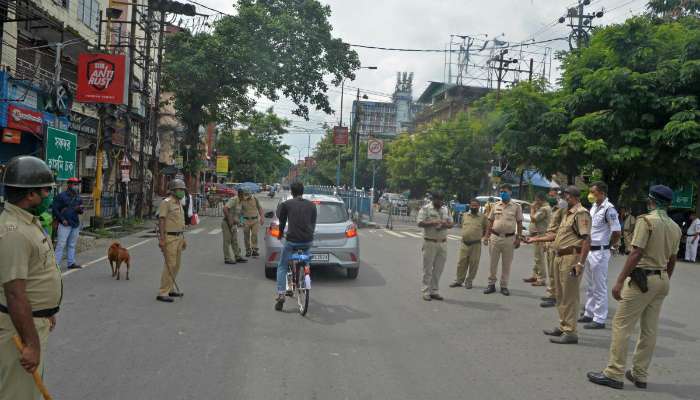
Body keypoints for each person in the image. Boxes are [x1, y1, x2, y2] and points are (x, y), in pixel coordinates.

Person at [587, 185, 681, 390]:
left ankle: (614, 373)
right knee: (649, 329)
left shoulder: (646, 221)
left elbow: (636, 253)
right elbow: (673, 259)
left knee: (621, 324)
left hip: (642, 279)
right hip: (662, 279)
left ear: (651, 200)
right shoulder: (675, 227)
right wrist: (664, 278)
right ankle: (640, 374)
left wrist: (620, 280)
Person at [0, 156, 62, 399]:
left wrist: (47, 311)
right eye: (45, 190)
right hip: (18, 329)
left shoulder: (27, 222)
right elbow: (15, 293)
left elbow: (34, 276)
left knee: (28, 392)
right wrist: (31, 344)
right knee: (19, 394)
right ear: (30, 195)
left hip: (32, 322)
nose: (48, 195)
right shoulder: (13, 232)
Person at [527, 185, 591, 344]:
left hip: (571, 257)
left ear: (574, 197)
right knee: (561, 295)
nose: (564, 199)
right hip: (560, 257)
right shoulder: (568, 214)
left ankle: (571, 332)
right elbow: (558, 235)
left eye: (566, 196)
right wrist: (536, 239)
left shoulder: (581, 213)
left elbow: (586, 240)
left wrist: (580, 264)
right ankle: (564, 326)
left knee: (569, 296)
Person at [579, 182, 622, 330]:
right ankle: (589, 313)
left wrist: (611, 246)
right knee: (590, 285)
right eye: (590, 192)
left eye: (593, 192)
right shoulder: (594, 207)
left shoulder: (609, 210)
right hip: (589, 250)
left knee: (599, 286)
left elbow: (617, 232)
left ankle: (600, 318)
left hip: (600, 252)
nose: (590, 195)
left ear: (602, 193)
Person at [274, 182, 317, 311]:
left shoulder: (286, 204)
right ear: (302, 192)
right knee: (305, 258)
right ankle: (305, 268)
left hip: (292, 241)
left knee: (282, 265)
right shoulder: (312, 205)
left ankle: (281, 293)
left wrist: (280, 234)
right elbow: (313, 224)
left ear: (291, 192)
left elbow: (281, 222)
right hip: (307, 241)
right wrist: (309, 235)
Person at [483, 183, 523, 296]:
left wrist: (519, 238)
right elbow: (490, 221)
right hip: (495, 237)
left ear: (510, 192)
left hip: (509, 239)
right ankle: (491, 284)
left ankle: (504, 286)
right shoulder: (495, 205)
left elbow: (519, 223)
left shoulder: (516, 207)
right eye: (501, 191)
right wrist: (486, 236)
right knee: (493, 263)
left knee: (507, 264)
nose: (502, 193)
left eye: (504, 191)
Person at [156, 179, 188, 303]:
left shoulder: (179, 203)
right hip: (169, 237)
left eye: (183, 190)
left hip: (179, 237)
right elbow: (162, 220)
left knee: (177, 265)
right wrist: (162, 239)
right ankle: (163, 292)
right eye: (180, 189)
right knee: (170, 264)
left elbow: (180, 221)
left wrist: (183, 237)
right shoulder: (166, 202)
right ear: (173, 191)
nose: (182, 192)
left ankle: (170, 288)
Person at [417, 190, 453, 301]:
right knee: (427, 269)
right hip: (430, 242)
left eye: (441, 200)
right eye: (438, 199)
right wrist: (433, 222)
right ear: (433, 199)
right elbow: (420, 222)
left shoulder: (445, 209)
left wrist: (444, 224)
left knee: (438, 269)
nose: (440, 202)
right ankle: (426, 291)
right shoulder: (426, 208)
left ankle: (434, 291)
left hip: (442, 243)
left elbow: (451, 223)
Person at [450, 199, 487, 289]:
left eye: (476, 205)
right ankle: (459, 280)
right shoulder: (465, 215)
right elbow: (462, 226)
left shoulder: (483, 217)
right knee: (461, 262)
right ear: (469, 206)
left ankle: (469, 281)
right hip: (464, 243)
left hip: (476, 244)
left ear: (479, 206)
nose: (474, 207)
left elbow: (487, 228)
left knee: (474, 263)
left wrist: (485, 237)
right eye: (472, 205)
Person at [51, 177, 83, 270]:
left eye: (77, 184)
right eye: (74, 184)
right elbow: (55, 209)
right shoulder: (61, 196)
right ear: (69, 184)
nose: (76, 186)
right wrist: (62, 219)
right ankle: (56, 265)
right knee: (61, 244)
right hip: (64, 224)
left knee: (72, 244)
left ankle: (71, 263)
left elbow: (81, 210)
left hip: (75, 223)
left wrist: (80, 210)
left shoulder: (78, 197)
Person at [540, 195, 565, 308]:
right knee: (551, 271)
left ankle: (555, 296)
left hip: (556, 242)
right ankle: (551, 293)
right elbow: (550, 227)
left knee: (555, 272)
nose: (552, 197)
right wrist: (546, 242)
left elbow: (562, 228)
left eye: (554, 195)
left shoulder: (562, 210)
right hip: (549, 241)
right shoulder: (554, 210)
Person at [524, 193, 552, 286]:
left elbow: (533, 219)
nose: (534, 202)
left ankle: (541, 279)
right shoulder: (542, 208)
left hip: (540, 236)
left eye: (536, 200)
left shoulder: (544, 209)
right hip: (538, 235)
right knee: (537, 258)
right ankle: (535, 275)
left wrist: (532, 209)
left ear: (540, 200)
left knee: (539, 258)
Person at [222, 191, 247, 265]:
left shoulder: (241, 202)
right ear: (240, 195)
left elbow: (241, 214)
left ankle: (237, 256)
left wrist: (241, 222)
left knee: (235, 240)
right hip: (227, 223)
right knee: (227, 241)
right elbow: (225, 209)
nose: (245, 197)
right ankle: (227, 258)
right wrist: (230, 220)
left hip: (234, 224)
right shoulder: (234, 200)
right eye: (244, 195)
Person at [238, 188, 264, 257]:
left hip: (255, 220)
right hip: (246, 220)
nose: (246, 196)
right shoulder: (242, 200)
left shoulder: (255, 199)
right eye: (245, 195)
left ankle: (254, 249)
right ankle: (248, 250)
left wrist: (262, 217)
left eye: (247, 195)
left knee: (254, 234)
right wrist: (241, 221)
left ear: (250, 194)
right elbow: (240, 212)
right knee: (246, 236)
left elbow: (260, 208)